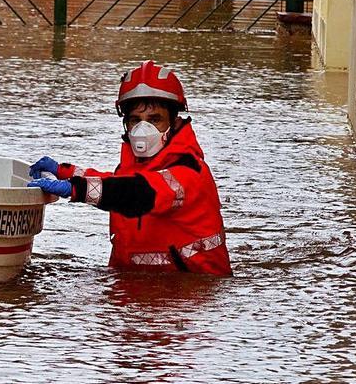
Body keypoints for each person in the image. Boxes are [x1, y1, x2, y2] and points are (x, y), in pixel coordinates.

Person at [27, 60, 232, 276]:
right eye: (136, 120)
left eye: (155, 119)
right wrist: (65, 172)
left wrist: (75, 188)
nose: (144, 129)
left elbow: (139, 192)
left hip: (189, 292)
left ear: (174, 121)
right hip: (136, 286)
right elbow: (117, 183)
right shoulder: (135, 165)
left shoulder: (189, 171)